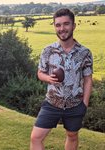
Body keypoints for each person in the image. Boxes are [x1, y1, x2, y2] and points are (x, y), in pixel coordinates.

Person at [30, 8, 93, 150]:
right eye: (58, 25)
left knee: (72, 136)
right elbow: (40, 73)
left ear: (73, 26)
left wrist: (84, 104)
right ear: (54, 27)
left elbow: (88, 79)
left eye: (66, 24)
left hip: (75, 105)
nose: (62, 28)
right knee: (35, 137)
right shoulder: (48, 50)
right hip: (52, 102)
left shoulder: (85, 53)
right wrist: (48, 78)